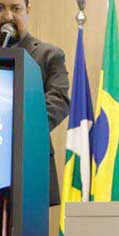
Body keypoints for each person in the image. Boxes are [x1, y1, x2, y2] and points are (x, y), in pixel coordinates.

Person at [1, 0, 70, 206]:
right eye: (1, 8)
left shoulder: (49, 55)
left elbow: (58, 100)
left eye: (15, 8)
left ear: (27, 10)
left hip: (29, 163)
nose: (7, 16)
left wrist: (16, 129)